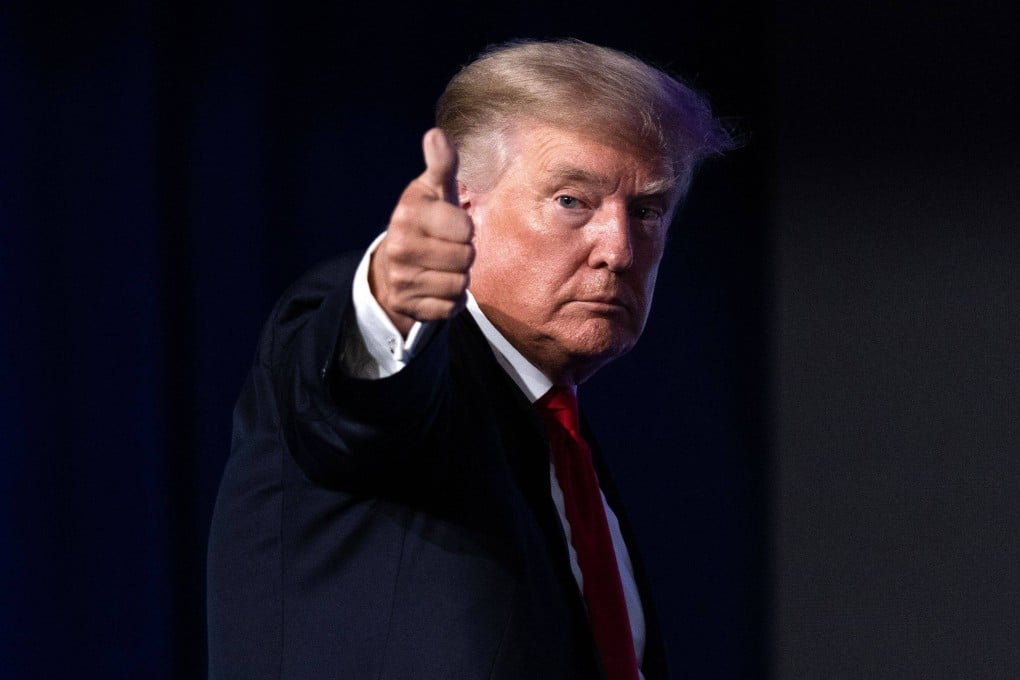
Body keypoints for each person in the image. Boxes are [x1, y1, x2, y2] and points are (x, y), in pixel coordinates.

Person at [207, 37, 733, 679]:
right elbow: (355, 403)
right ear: (462, 207)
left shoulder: (563, 441)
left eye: (646, 211)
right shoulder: (408, 375)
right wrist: (391, 302)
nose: (618, 249)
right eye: (572, 201)